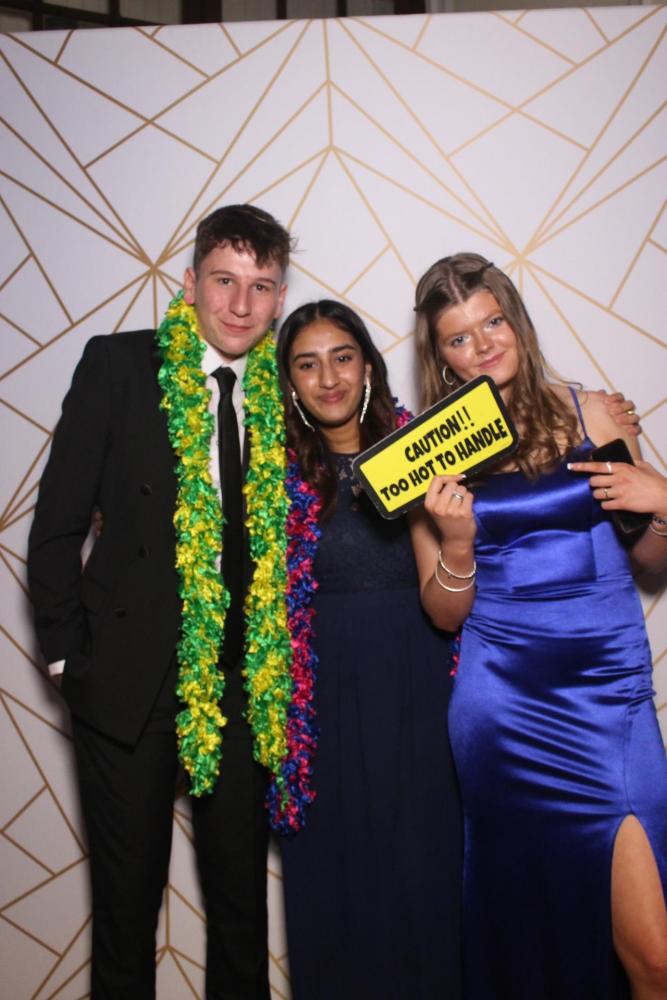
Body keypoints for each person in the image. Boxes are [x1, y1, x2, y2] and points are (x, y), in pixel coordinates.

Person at [27, 204, 294, 999]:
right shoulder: (118, 367)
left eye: (260, 286)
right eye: (223, 280)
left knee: (241, 914)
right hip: (126, 687)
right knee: (125, 914)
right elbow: (55, 528)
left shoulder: (284, 390)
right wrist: (69, 663)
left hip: (242, 691)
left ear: (279, 297)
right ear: (188, 283)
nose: (240, 304)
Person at [410, 253, 667, 1000]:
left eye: (492, 321)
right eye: (459, 337)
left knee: (654, 959)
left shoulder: (594, 412)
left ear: (515, 321)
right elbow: (442, 613)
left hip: (610, 696)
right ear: (441, 357)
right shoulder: (427, 454)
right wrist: (457, 542)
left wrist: (660, 501)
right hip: (503, 708)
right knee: (529, 940)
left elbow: (650, 562)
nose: (483, 345)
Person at [275, 300, 463, 1000]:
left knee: (426, 870)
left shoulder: (422, 449)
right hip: (318, 702)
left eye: (342, 357)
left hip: (419, 682)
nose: (328, 378)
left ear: (368, 366)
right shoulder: (266, 469)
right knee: (338, 879)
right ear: (289, 381)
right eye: (307, 363)